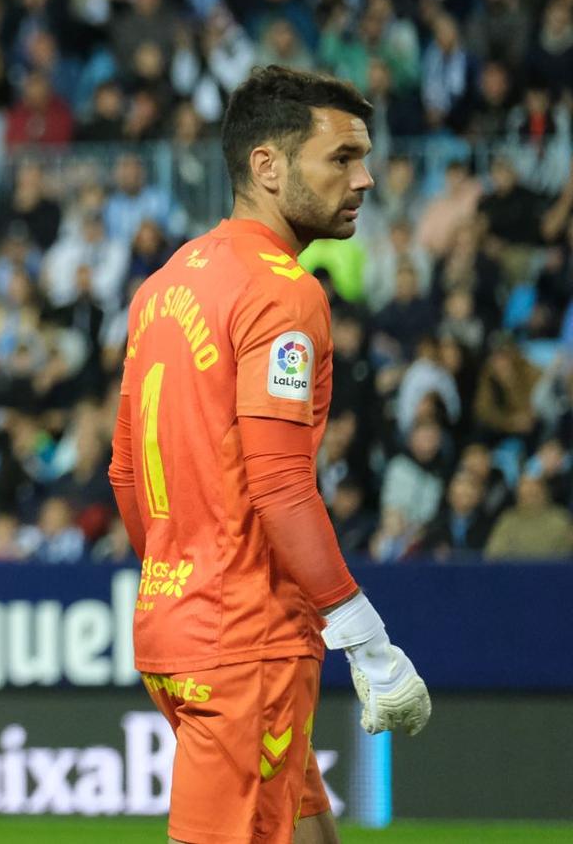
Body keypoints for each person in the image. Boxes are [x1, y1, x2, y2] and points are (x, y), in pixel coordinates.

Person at [109, 65, 430, 844]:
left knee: (305, 826)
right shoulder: (283, 290)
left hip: (172, 622)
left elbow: (124, 473)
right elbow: (281, 480)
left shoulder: (165, 283)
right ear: (268, 166)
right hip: (243, 636)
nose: (364, 177)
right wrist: (367, 638)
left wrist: (182, 576)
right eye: (342, 157)